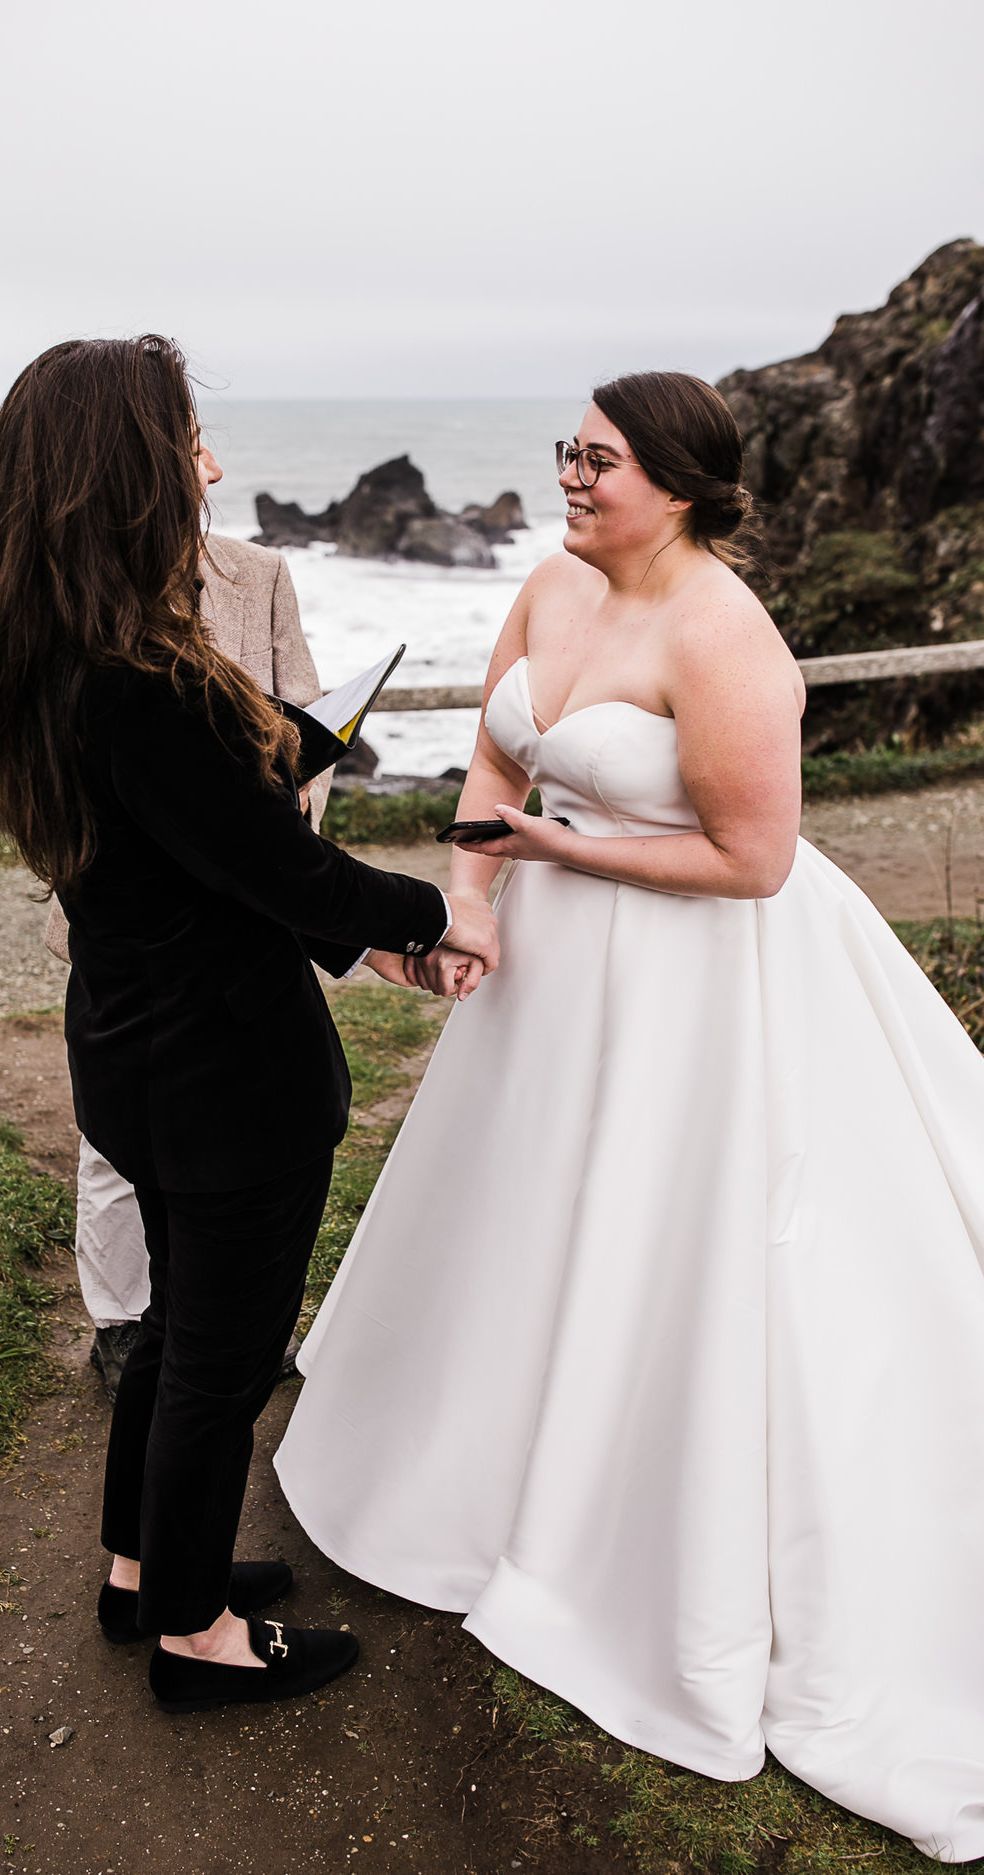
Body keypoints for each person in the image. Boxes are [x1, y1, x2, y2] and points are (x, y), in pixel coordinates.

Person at [275, 373, 984, 1861]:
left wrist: (552, 849)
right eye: (566, 453)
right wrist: (474, 886)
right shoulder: (549, 580)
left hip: (691, 980)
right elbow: (494, 750)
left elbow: (755, 859)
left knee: (671, 1225)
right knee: (519, 1206)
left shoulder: (725, 631)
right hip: (546, 962)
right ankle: (463, 1455)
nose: (571, 477)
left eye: (598, 460)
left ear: (676, 480)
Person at [0, 334, 495, 1719]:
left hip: (126, 1043)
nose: (216, 466)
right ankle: (195, 1632)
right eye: (190, 443)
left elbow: (178, 840)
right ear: (128, 469)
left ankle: (141, 1566)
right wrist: (438, 911)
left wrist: (275, 770)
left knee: (176, 1330)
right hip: (226, 1071)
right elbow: (282, 870)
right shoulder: (152, 679)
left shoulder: (40, 653)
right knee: (223, 1357)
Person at [42, 428, 340, 1401]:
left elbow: (307, 723)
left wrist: (279, 845)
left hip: (251, 897)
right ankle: (124, 1319)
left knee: (237, 1112)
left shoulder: (259, 577)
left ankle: (225, 1325)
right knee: (120, 1130)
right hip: (131, 909)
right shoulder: (68, 594)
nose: (214, 471)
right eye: (194, 448)